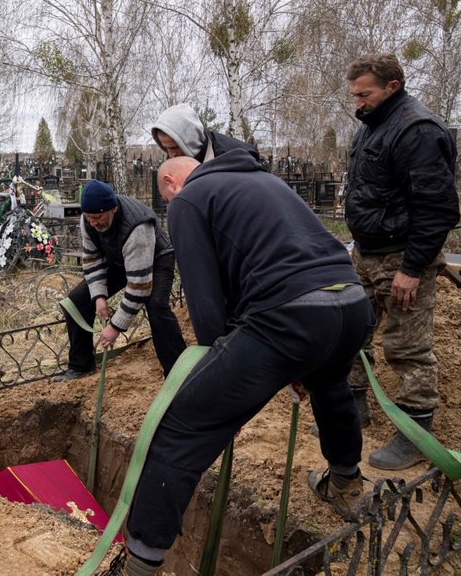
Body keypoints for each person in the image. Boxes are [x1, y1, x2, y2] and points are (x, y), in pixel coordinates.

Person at [115, 154, 375, 576]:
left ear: (170, 182)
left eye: (164, 194)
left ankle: (139, 565)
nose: (166, 204)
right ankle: (345, 482)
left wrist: (221, 384)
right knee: (330, 385)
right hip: (349, 305)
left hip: (290, 317)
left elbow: (206, 302)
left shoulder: (188, 199)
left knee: (180, 426)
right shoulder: (263, 182)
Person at [342, 53, 460, 470]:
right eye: (354, 94)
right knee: (351, 330)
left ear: (392, 86)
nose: (357, 102)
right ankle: (355, 409)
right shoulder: (371, 126)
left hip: (403, 256)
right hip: (367, 252)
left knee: (406, 347)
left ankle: (415, 433)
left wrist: (412, 269)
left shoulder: (417, 130)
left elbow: (438, 208)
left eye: (364, 94)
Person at [54, 180, 185, 381]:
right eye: (88, 217)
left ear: (113, 209)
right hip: (119, 258)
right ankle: (81, 366)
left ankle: (178, 372)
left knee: (156, 306)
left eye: (97, 217)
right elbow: (92, 259)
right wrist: (98, 296)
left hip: (156, 258)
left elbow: (139, 287)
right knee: (77, 300)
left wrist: (115, 327)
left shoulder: (137, 228)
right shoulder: (88, 219)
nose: (92, 223)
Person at [150, 103, 260, 162]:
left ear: (190, 140)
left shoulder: (238, 155)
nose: (170, 154)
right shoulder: (175, 158)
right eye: (166, 148)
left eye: (174, 147)